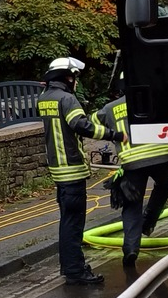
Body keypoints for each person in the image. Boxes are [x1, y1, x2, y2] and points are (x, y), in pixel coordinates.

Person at [37, 57, 126, 285]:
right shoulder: (67, 99)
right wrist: (114, 134)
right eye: (74, 77)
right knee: (74, 224)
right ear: (67, 77)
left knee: (67, 222)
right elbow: (82, 125)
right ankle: (75, 272)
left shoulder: (45, 98)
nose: (75, 82)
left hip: (58, 170)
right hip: (72, 170)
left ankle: (70, 266)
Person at [95, 74, 168, 267]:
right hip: (161, 156)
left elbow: (90, 123)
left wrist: (112, 131)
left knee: (132, 204)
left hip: (132, 162)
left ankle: (131, 249)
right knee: (164, 186)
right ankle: (148, 222)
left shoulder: (110, 108)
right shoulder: (153, 98)